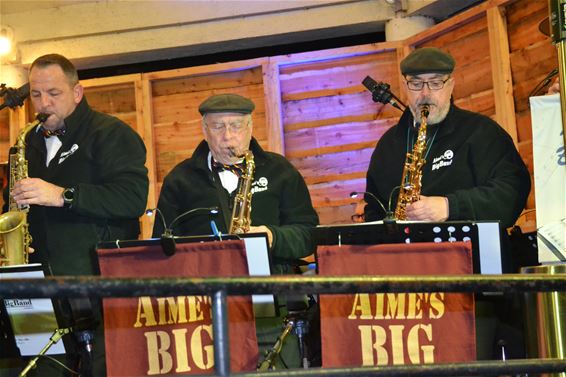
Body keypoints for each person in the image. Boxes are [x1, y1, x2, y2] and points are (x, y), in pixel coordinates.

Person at [364, 47, 531, 360]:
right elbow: (373, 212)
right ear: (405, 88)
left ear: (452, 85)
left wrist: (449, 207)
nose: (426, 93)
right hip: (408, 298)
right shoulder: (387, 147)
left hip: (476, 293)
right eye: (416, 84)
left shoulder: (481, 133)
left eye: (436, 83)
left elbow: (513, 192)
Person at [5, 54, 149, 376]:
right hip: (40, 291)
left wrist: (62, 195)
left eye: (53, 94)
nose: (43, 104)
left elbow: (132, 198)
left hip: (97, 289)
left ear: (77, 93)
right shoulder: (28, 142)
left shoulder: (111, 133)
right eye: (37, 95)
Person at [153, 93, 319, 368]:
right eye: (217, 126)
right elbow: (163, 248)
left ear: (250, 128)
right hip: (205, 312)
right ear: (204, 130)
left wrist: (272, 237)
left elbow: (308, 235)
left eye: (236, 126)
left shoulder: (280, 171)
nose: (228, 136)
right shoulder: (179, 180)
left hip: (272, 308)